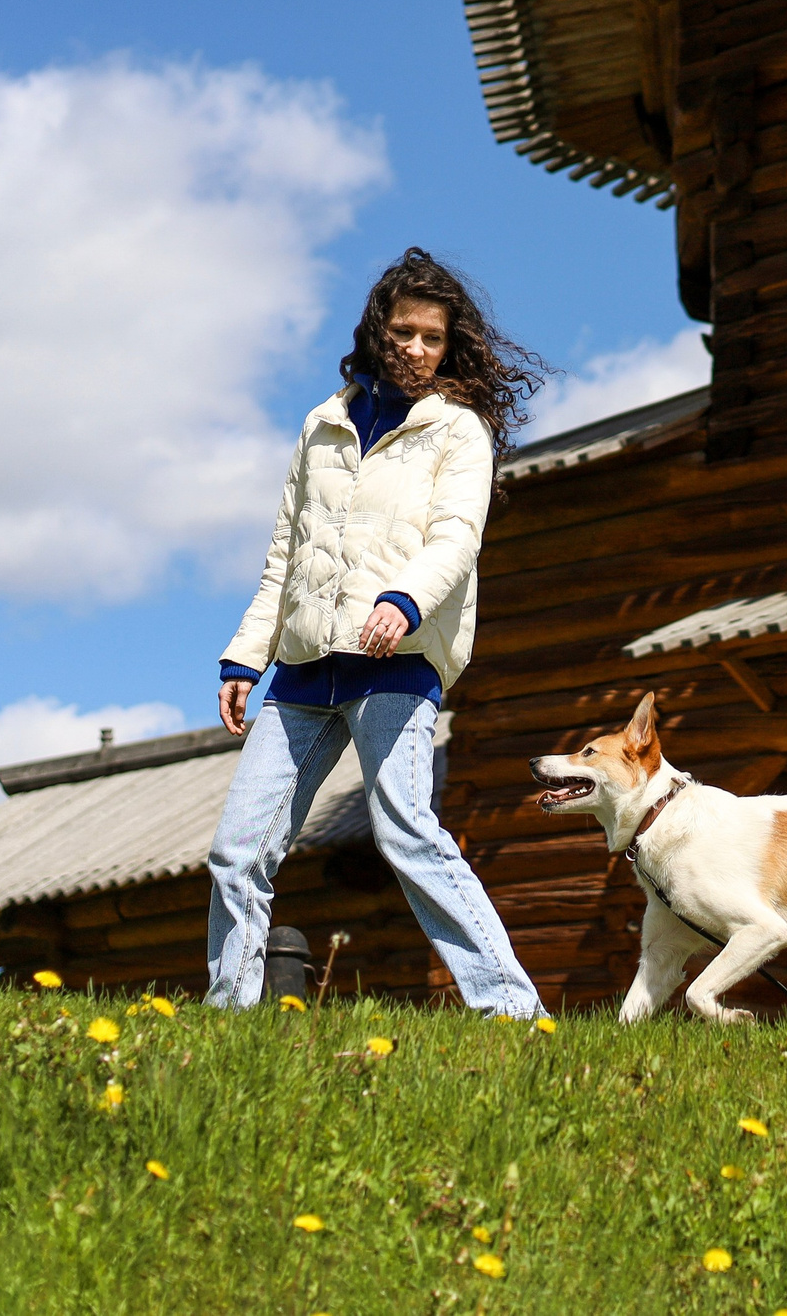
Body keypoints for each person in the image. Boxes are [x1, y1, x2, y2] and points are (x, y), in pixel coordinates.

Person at [204, 247, 546, 1016]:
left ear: (450, 343)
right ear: (377, 330)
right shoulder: (323, 425)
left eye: (432, 336)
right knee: (236, 851)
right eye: (403, 332)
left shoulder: (457, 430)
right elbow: (285, 557)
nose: (417, 349)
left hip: (396, 660)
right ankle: (229, 1013)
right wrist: (245, 654)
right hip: (301, 671)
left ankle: (513, 1010)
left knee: (407, 834)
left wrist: (405, 600)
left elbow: (457, 538)